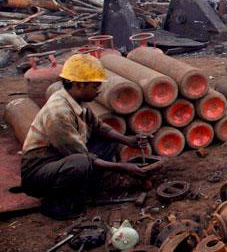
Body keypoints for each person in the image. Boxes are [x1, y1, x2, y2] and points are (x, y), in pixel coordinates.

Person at [20, 53, 150, 220]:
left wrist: (128, 140)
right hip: (38, 172)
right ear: (79, 85)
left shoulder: (76, 101)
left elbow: (100, 128)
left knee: (107, 140)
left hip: (60, 159)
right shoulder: (59, 112)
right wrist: (123, 168)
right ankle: (55, 204)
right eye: (95, 87)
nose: (98, 91)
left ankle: (89, 186)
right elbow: (84, 157)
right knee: (80, 163)